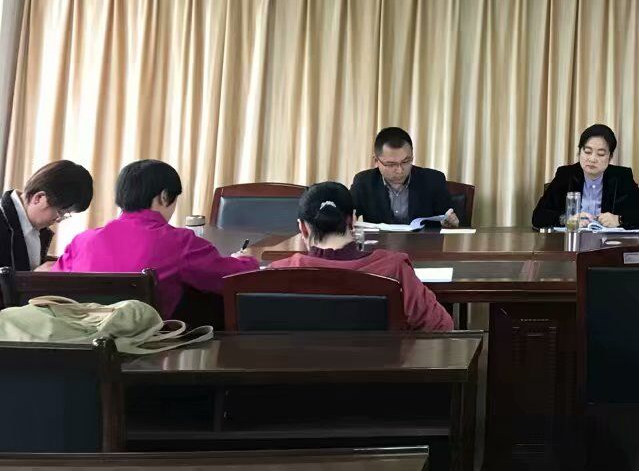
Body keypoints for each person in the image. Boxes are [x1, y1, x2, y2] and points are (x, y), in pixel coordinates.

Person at [52, 159, 258, 318]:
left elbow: (53, 284)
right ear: (164, 196)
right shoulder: (179, 242)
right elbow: (233, 279)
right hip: (151, 347)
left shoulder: (82, 241)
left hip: (86, 343)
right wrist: (248, 259)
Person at [268, 181, 453, 332]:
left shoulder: (276, 273)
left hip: (301, 368)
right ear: (353, 221)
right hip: (382, 366)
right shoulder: (395, 269)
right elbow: (441, 326)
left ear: (302, 228)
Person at [531, 124, 639, 230]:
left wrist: (619, 219)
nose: (592, 159)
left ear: (610, 157)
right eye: (587, 152)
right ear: (579, 152)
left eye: (600, 154)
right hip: (572, 243)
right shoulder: (565, 175)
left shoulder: (622, 177)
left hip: (609, 245)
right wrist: (567, 220)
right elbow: (538, 216)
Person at [350, 127, 459, 228]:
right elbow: (348, 213)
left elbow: (449, 218)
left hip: (422, 242)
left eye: (406, 161)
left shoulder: (433, 180)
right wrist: (348, 219)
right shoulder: (364, 182)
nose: (400, 170)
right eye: (391, 164)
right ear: (376, 161)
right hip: (379, 243)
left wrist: (450, 222)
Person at [0, 160, 94, 272]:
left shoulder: (37, 229)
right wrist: (34, 278)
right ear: (39, 198)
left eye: (66, 214)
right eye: (60, 212)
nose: (59, 220)